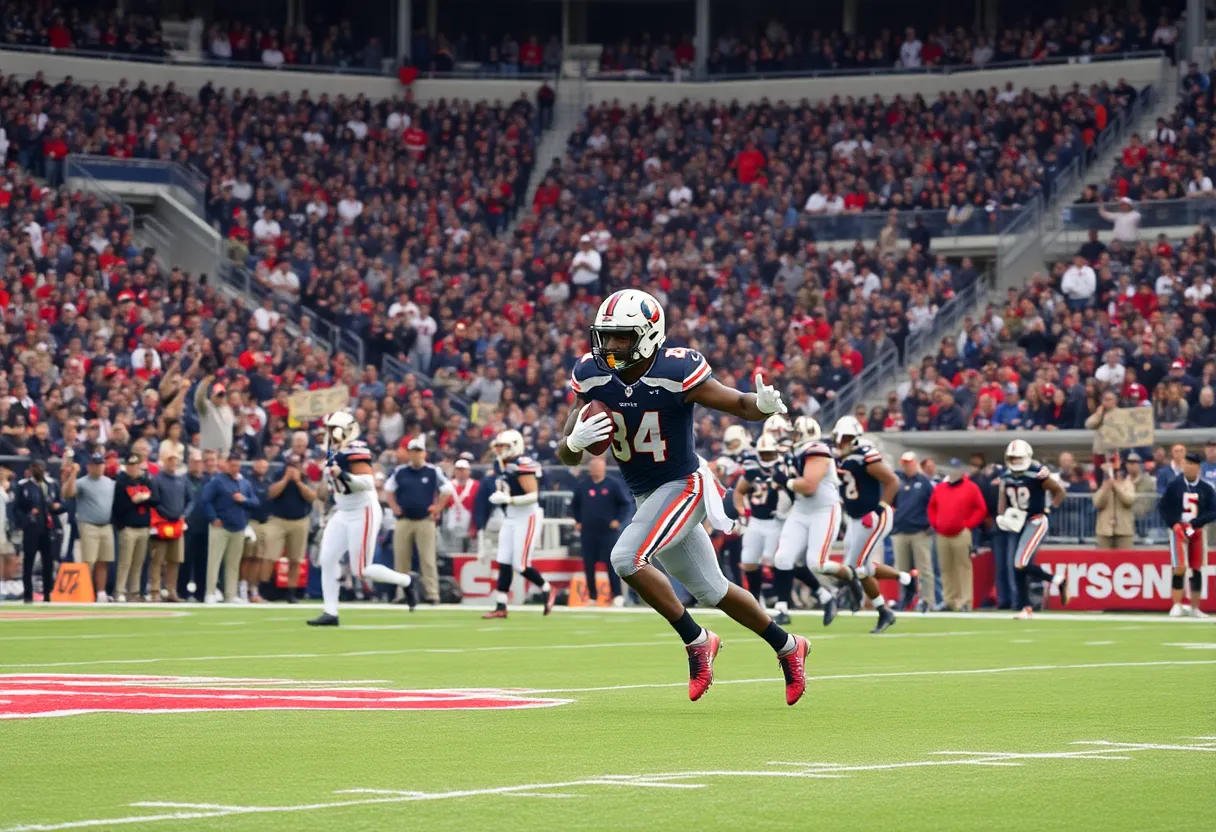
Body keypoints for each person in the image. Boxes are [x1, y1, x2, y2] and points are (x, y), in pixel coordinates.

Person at [560, 289, 810, 705]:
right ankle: (789, 647)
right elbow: (566, 456)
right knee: (713, 590)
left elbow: (738, 404)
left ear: (648, 334)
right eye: (607, 336)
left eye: (622, 337)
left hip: (684, 485)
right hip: (647, 495)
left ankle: (697, 641)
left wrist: (763, 407)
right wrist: (574, 440)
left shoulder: (676, 369)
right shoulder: (591, 375)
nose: (612, 347)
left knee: (626, 559)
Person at [310, 411, 416, 625]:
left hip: (362, 510)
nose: (329, 433)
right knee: (327, 558)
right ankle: (331, 612)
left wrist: (342, 475)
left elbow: (367, 483)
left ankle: (406, 581)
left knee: (362, 570)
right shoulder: (333, 452)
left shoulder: (354, 450)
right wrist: (327, 487)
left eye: (333, 429)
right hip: (343, 511)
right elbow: (332, 487)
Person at [828, 416, 914, 632]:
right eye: (839, 438)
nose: (841, 442)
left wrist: (879, 508)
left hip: (875, 517)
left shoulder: (865, 456)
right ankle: (899, 587)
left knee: (855, 566)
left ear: (855, 439)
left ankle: (848, 595)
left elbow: (893, 481)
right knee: (862, 568)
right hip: (856, 518)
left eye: (846, 438)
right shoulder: (840, 457)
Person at [770, 418, 840, 625]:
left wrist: (785, 481)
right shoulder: (794, 452)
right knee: (782, 558)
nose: (793, 437)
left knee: (815, 563)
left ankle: (849, 579)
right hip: (801, 509)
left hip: (823, 510)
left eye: (797, 433)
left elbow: (809, 486)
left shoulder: (817, 448)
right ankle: (783, 609)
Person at [483, 430, 556, 618]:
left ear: (515, 445)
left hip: (527, 516)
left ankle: (547, 588)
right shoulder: (500, 464)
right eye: (498, 446)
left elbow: (533, 495)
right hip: (510, 516)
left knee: (520, 564)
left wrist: (508, 499)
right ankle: (501, 605)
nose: (499, 450)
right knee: (504, 560)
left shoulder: (522, 463)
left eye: (503, 446)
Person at [997, 440, 1068, 620]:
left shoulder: (1037, 473)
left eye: (1018, 458)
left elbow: (1059, 491)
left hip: (1036, 520)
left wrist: (1050, 509)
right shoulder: (1006, 475)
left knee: (1021, 562)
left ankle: (1056, 580)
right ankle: (1026, 607)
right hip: (1018, 522)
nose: (1015, 461)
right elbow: (1002, 498)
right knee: (1017, 566)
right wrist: (1002, 515)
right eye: (1012, 458)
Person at [385, 436, 453, 605]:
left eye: (419, 451)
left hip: (425, 520)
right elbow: (388, 490)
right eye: (413, 451)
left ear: (424, 453)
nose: (416, 455)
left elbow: (447, 490)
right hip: (404, 519)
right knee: (401, 559)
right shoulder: (400, 471)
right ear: (409, 453)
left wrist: (437, 507)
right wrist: (394, 507)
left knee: (428, 559)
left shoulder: (432, 471)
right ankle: (401, 594)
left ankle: (432, 594)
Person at [1160, 452, 1216, 618]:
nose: (1188, 467)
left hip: (1197, 530)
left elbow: (1214, 511)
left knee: (1197, 568)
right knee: (1179, 567)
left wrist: (1197, 522)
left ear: (1198, 467)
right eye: (1186, 463)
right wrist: (1174, 524)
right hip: (1178, 529)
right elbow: (1164, 508)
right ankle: (1177, 604)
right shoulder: (1174, 486)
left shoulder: (1206, 488)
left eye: (1192, 464)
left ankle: (1195, 607)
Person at [569, 454, 631, 606]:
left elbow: (625, 504)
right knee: (589, 564)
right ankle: (592, 596)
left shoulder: (612, 485)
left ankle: (617, 595)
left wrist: (618, 520)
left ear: (603, 467)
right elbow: (574, 505)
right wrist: (577, 521)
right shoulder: (583, 486)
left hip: (608, 532)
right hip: (588, 532)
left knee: (611, 564)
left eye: (598, 466)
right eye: (593, 466)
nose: (596, 469)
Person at [202, 453, 260, 604]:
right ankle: (210, 592)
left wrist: (244, 499)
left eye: (237, 465)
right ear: (226, 465)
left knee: (233, 563)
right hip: (221, 527)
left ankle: (230, 594)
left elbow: (255, 502)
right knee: (214, 561)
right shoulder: (218, 481)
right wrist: (213, 518)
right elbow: (206, 500)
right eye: (232, 465)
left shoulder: (244, 483)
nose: (235, 468)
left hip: (239, 527)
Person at [928, 467, 988, 611]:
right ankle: (949, 600)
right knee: (946, 568)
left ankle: (966, 602)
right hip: (942, 533)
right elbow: (932, 507)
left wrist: (968, 525)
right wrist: (936, 523)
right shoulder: (940, 488)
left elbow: (981, 509)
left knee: (963, 567)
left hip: (961, 533)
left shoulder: (971, 487)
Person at [62, 452, 115, 602]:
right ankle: (84, 591)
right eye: (95, 464)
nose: (98, 467)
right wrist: (73, 474)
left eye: (100, 464)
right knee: (88, 561)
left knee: (103, 560)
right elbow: (67, 493)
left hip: (106, 525)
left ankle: (101, 593)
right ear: (89, 467)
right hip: (88, 524)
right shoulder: (82, 482)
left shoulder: (110, 483)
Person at [266, 453, 318, 603]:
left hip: (300, 521)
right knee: (270, 556)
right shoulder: (278, 475)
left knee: (296, 559)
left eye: (296, 465)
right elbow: (271, 493)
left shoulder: (305, 478)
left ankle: (291, 592)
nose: (293, 468)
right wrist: (286, 479)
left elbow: (311, 497)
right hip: (279, 520)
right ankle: (266, 590)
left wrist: (298, 481)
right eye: (291, 465)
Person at [15, 460, 67, 603]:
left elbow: (61, 505)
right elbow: (17, 508)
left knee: (48, 562)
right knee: (29, 561)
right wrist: (27, 518)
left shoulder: (52, 484)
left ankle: (48, 594)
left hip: (48, 527)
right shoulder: (23, 485)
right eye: (35, 467)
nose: (38, 470)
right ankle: (28, 594)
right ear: (30, 469)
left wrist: (58, 507)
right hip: (31, 528)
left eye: (41, 467)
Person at [891, 451, 935, 611]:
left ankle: (927, 601)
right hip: (901, 530)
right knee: (902, 571)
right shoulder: (897, 481)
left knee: (924, 570)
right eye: (905, 463)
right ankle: (905, 600)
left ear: (915, 463)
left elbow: (933, 504)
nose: (907, 466)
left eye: (910, 463)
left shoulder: (924, 483)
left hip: (919, 531)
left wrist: (931, 524)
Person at [112, 453, 158, 602]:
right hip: (128, 526)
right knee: (125, 562)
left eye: (135, 466)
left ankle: (134, 592)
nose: (132, 469)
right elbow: (118, 507)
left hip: (143, 526)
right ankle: (119, 591)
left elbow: (156, 500)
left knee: (138, 563)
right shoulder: (121, 483)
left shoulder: (146, 481)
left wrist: (146, 498)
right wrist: (134, 501)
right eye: (130, 466)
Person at [148, 451, 189, 601]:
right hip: (161, 523)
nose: (172, 463)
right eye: (169, 460)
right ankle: (155, 591)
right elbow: (155, 501)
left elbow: (190, 500)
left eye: (175, 460)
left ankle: (171, 590)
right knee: (157, 560)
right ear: (164, 461)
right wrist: (167, 514)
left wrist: (183, 514)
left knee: (175, 559)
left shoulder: (182, 480)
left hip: (177, 524)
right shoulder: (157, 480)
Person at [180, 450, 216, 601]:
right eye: (193, 461)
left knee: (203, 561)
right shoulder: (182, 480)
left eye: (199, 461)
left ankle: (201, 593)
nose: (197, 464)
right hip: (187, 526)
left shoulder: (209, 481)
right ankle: (182, 592)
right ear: (188, 463)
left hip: (205, 526)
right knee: (185, 560)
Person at [239, 457, 274, 603]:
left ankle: (253, 589)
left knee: (259, 557)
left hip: (264, 522)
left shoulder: (268, 482)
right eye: (259, 465)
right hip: (249, 521)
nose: (262, 468)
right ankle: (241, 588)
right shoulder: (246, 482)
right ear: (254, 465)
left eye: (264, 466)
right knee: (247, 555)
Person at [1093, 455, 1136, 549]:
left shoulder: (1128, 484)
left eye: (1119, 472)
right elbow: (1097, 503)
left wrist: (1116, 487)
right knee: (1103, 559)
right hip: (1105, 531)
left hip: (1124, 530)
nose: (1118, 474)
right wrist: (1106, 488)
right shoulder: (1104, 486)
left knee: (1126, 559)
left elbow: (1128, 500)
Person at [441, 458, 478, 555]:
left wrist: (475, 526)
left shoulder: (475, 485)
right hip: (451, 523)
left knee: (470, 552)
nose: (461, 472)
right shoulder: (448, 485)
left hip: (470, 523)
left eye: (463, 469)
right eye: (458, 469)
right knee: (452, 551)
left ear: (469, 471)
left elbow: (478, 506)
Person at [195, 375, 235, 456]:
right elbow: (199, 398)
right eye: (218, 395)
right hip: (209, 451)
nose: (220, 398)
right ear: (212, 394)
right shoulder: (207, 406)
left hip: (224, 452)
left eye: (222, 395)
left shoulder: (228, 410)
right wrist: (205, 383)